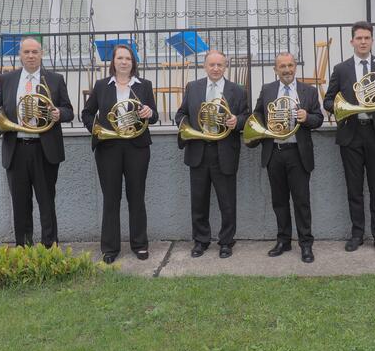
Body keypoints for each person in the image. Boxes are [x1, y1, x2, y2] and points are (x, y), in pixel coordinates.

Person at [0, 36, 74, 248]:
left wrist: (57, 113)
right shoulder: (6, 79)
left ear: (41, 53)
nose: (30, 56)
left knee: (47, 203)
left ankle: (49, 247)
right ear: (20, 55)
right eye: (26, 52)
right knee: (20, 204)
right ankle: (23, 248)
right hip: (16, 149)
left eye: (34, 52)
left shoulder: (55, 79)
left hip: (44, 150)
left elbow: (69, 111)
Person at [323, 21, 375, 255]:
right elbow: (328, 101)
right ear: (352, 41)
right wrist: (343, 108)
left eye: (367, 38)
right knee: (354, 189)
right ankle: (357, 234)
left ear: (372, 41)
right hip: (351, 134)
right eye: (359, 38)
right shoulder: (341, 69)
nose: (363, 42)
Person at [82, 45, 158, 264]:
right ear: (113, 62)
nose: (124, 62)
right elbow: (86, 113)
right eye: (120, 58)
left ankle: (140, 244)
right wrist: (96, 129)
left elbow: (153, 117)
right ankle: (110, 248)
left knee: (137, 197)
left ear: (133, 63)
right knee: (111, 199)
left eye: (128, 58)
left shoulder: (144, 86)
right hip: (109, 148)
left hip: (137, 148)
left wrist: (148, 112)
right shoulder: (101, 86)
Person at [248, 52, 324, 263]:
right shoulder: (267, 90)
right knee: (279, 201)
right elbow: (257, 116)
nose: (287, 69)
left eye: (290, 65)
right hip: (274, 152)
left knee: (302, 201)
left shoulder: (308, 91)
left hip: (298, 154)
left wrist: (307, 117)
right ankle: (283, 240)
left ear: (295, 67)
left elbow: (318, 118)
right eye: (282, 66)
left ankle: (306, 244)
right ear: (276, 69)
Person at [175, 50, 249, 259]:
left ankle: (226, 241)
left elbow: (247, 116)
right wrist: (187, 127)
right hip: (199, 149)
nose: (216, 69)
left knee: (227, 202)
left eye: (220, 65)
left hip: (224, 151)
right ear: (205, 66)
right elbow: (181, 114)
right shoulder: (193, 87)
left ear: (225, 66)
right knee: (198, 201)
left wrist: (237, 121)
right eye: (212, 65)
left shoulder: (237, 90)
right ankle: (201, 241)